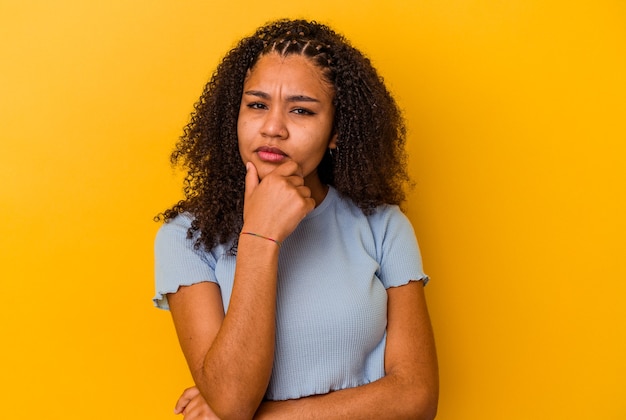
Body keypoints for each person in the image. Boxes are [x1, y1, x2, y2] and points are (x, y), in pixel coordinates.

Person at [153, 18, 438, 419]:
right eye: (256, 105)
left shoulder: (383, 227)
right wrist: (259, 236)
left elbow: (416, 397)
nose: (272, 128)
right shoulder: (188, 236)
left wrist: (263, 415)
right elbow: (233, 400)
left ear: (336, 131)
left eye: (301, 110)